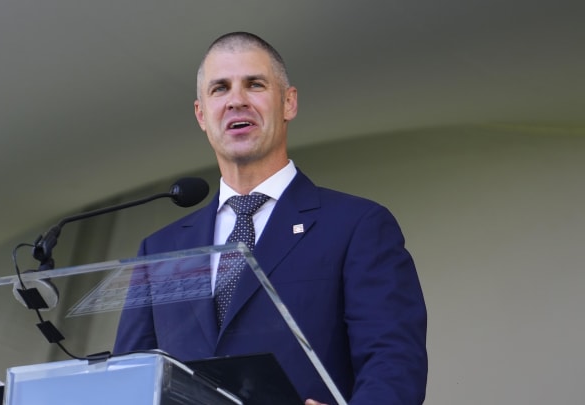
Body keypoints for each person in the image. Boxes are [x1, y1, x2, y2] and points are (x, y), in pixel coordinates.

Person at [114, 31, 427, 405]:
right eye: (220, 89)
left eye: (254, 84)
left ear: (288, 103)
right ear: (201, 114)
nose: (236, 101)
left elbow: (393, 363)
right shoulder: (160, 248)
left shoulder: (357, 225)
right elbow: (129, 377)